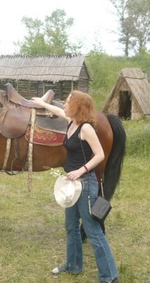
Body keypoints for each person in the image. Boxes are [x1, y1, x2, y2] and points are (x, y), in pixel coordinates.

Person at [32, 90, 119, 283]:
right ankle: (73, 265)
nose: (64, 104)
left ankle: (110, 276)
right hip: (71, 186)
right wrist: (42, 103)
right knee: (71, 227)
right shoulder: (71, 122)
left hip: (86, 184)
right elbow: (57, 110)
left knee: (93, 231)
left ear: (77, 106)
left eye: (68, 101)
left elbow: (100, 155)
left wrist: (81, 171)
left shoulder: (86, 128)